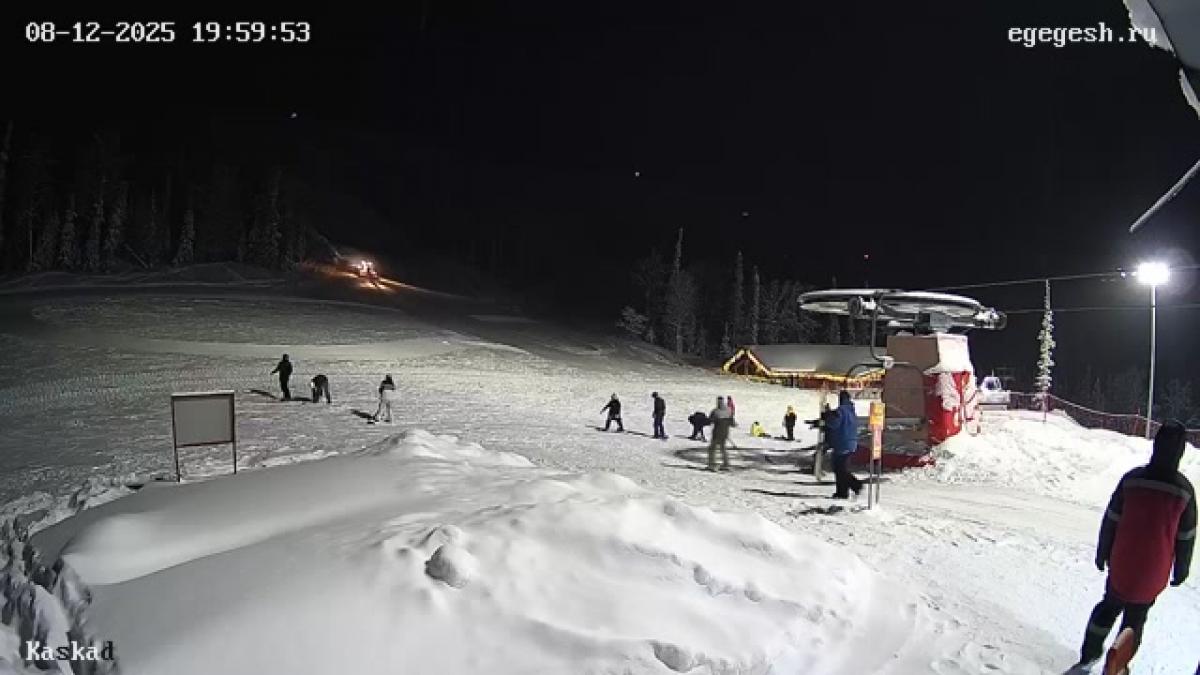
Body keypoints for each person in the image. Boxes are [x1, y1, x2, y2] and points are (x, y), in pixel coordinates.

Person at [1073, 420, 1195, 669]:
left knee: (1108, 606)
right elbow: (1186, 537)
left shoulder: (1132, 480)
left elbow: (1111, 519)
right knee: (1135, 619)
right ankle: (1117, 665)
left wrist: (1102, 551)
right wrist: (1181, 569)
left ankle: (1089, 654)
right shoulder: (1184, 492)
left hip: (1122, 563)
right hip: (1154, 571)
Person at [826, 390, 863, 499]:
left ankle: (856, 485)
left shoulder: (840, 411)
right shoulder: (852, 411)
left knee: (839, 469)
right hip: (851, 443)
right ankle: (842, 492)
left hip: (841, 443)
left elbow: (833, 424)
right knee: (841, 468)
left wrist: (828, 416)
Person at [707, 396, 736, 471]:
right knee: (723, 448)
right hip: (725, 433)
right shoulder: (729, 410)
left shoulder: (715, 411)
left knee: (712, 448)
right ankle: (726, 464)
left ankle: (712, 464)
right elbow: (732, 423)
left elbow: (710, 421)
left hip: (717, 433)